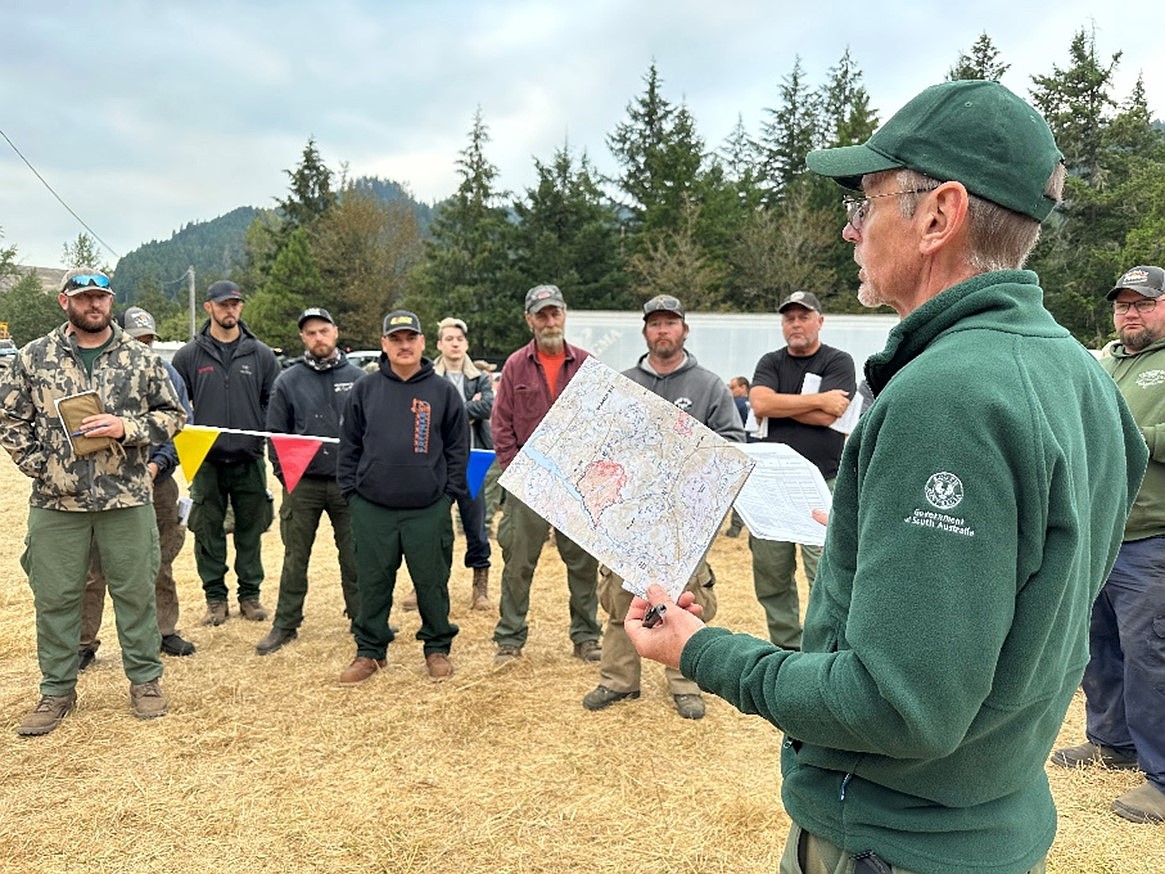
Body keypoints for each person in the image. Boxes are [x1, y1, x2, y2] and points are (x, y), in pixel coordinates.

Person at [624, 79, 1147, 873]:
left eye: (864, 202)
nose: (849, 229)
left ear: (937, 215)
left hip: (891, 842)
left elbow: (899, 707)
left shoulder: (946, 393)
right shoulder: (1076, 372)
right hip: (990, 817)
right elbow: (1038, 576)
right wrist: (885, 542)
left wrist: (699, 649)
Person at [1, 270, 185, 735]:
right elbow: (10, 417)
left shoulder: (140, 357)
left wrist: (128, 429)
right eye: (83, 297)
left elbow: (173, 415)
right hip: (56, 503)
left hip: (125, 497)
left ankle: (145, 681)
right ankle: (56, 690)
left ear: (110, 300)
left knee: (136, 591)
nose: (93, 304)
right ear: (65, 301)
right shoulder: (33, 358)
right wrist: (43, 467)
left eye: (100, 296)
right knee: (56, 595)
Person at [582, 294, 743, 719]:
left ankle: (685, 684)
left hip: (682, 521)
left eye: (671, 323)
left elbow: (734, 444)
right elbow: (602, 443)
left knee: (683, 602)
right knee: (620, 602)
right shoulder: (623, 382)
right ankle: (618, 680)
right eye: (655, 324)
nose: (663, 330)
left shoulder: (709, 385)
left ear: (684, 330)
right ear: (645, 331)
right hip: (628, 518)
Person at [1050, 264, 1165, 824]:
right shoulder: (1102, 360)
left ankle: (1163, 777)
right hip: (1101, 533)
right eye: (1122, 304)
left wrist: (1116, 434)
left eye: (1142, 303)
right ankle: (1111, 742)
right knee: (1099, 646)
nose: (1131, 312)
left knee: (1152, 658)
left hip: (1152, 537)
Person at [337, 310, 468, 684]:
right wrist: (352, 494)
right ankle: (370, 652)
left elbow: (459, 449)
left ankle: (437, 648)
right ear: (384, 345)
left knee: (431, 581)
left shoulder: (443, 391)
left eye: (411, 338)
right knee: (372, 581)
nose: (404, 345)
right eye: (396, 339)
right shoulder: (365, 388)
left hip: (428, 507)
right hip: (372, 506)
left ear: (423, 342)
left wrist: (448, 497)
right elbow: (349, 446)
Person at [79, 306, 196, 669]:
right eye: (136, 339)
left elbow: (182, 425)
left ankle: (164, 631)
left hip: (157, 483)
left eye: (149, 340)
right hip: (103, 482)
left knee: (158, 559)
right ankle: (83, 643)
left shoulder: (169, 373)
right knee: (93, 566)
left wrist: (157, 464)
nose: (144, 346)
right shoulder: (98, 371)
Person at [491, 284, 602, 666]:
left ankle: (587, 636)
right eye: (542, 314)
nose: (550, 320)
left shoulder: (587, 364)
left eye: (555, 313)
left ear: (565, 314)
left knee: (583, 565)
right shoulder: (514, 366)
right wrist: (516, 473)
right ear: (529, 320)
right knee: (518, 563)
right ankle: (510, 637)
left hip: (576, 486)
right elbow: (502, 425)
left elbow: (601, 423)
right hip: (529, 483)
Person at [255, 307, 365, 656]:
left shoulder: (360, 378)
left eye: (323, 330)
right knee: (294, 556)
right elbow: (275, 434)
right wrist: (284, 476)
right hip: (301, 483)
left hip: (349, 485)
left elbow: (370, 431)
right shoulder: (288, 380)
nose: (318, 337)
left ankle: (363, 620)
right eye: (311, 333)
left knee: (356, 556)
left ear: (336, 332)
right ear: (303, 337)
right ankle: (286, 623)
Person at [748, 291, 855, 649]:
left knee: (823, 571)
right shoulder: (770, 361)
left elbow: (833, 414)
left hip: (822, 482)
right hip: (771, 488)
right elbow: (759, 402)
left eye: (803, 317)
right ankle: (786, 645)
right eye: (789, 318)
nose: (795, 324)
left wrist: (779, 405)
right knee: (771, 572)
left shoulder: (838, 361)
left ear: (820, 321)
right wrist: (817, 401)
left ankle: (823, 648)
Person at [172, 280, 281, 627]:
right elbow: (174, 403)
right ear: (209, 307)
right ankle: (215, 600)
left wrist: (259, 433)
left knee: (251, 531)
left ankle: (250, 597)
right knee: (207, 532)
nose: (230, 310)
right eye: (223, 304)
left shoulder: (261, 354)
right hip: (205, 459)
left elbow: (274, 402)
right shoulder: (189, 355)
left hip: (249, 459)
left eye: (235, 304)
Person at [429, 316, 494, 610]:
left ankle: (480, 587)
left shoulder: (479, 377)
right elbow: (427, 412)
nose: (454, 344)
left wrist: (451, 411)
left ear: (466, 343)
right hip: (436, 461)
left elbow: (488, 405)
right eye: (449, 339)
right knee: (431, 525)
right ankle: (428, 585)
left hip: (473, 458)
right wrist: (465, 411)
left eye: (459, 339)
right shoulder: (428, 376)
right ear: (439, 344)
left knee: (475, 524)